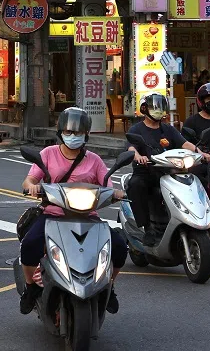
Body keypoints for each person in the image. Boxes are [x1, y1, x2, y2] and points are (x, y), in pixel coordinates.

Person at [18, 107, 128, 315]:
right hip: (53, 215)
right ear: (60, 132)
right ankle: (30, 287)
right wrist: (31, 186)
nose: (73, 137)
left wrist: (117, 193)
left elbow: (108, 186)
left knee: (120, 247)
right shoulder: (48, 154)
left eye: (77, 133)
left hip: (88, 217)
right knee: (30, 244)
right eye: (68, 132)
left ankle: (109, 286)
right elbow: (30, 179)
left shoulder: (94, 160)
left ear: (86, 134)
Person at [125, 94, 210, 247]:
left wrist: (200, 153)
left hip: (169, 172)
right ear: (144, 109)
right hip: (147, 172)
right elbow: (131, 147)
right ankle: (148, 228)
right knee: (136, 185)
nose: (157, 111)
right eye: (154, 107)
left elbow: (184, 143)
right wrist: (138, 156)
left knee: (199, 180)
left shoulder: (168, 129)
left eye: (160, 107)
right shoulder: (137, 129)